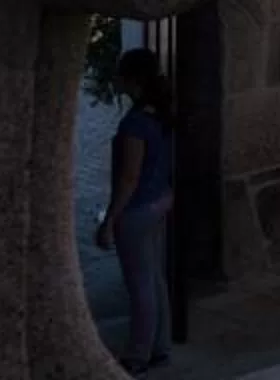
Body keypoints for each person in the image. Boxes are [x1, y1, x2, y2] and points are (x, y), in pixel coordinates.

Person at [94, 45, 178, 372]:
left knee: (140, 282)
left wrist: (109, 221)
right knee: (155, 278)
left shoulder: (135, 125)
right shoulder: (161, 114)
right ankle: (160, 345)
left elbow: (129, 177)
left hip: (138, 209)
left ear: (132, 80)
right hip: (160, 200)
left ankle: (138, 354)